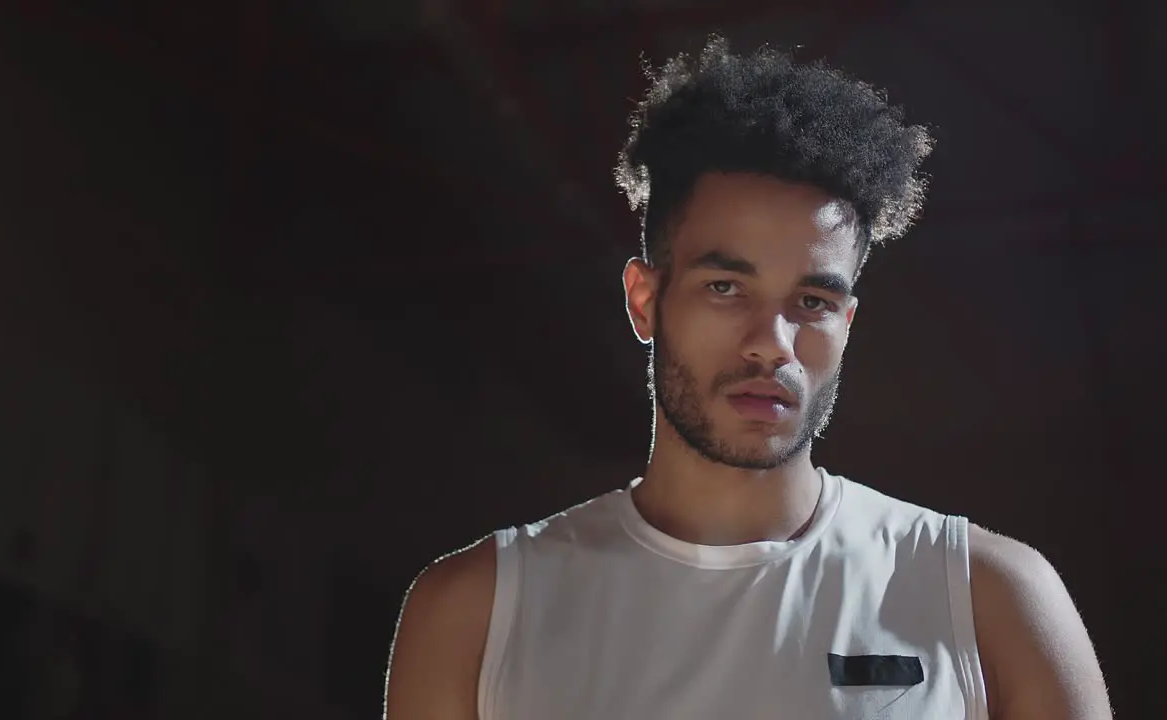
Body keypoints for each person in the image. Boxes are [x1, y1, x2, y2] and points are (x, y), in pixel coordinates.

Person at [385, 37, 1112, 719]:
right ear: (645, 299)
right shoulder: (474, 611)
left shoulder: (991, 596)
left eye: (812, 302)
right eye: (726, 289)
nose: (772, 344)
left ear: (846, 324)